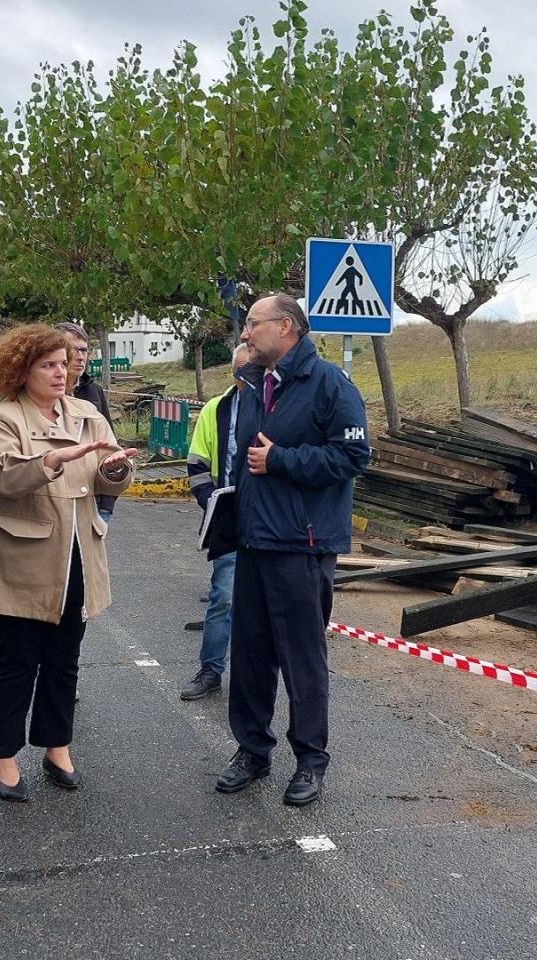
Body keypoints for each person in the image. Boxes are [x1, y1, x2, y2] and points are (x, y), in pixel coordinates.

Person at [0, 324, 138, 800]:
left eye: (64, 363)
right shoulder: (3, 417)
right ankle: (3, 757)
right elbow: (3, 478)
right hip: (23, 556)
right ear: (21, 370)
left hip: (79, 554)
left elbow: (109, 481)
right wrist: (54, 460)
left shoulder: (87, 413)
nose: (61, 372)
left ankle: (56, 746)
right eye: (48, 365)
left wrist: (116, 469)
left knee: (65, 658)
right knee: (16, 659)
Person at [215, 294, 369, 807]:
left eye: (252, 325)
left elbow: (352, 455)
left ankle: (310, 760)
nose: (244, 335)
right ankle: (252, 751)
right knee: (252, 654)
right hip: (255, 540)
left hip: (302, 545)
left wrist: (282, 460)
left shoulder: (330, 384)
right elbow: (242, 460)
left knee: (302, 658)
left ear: (286, 327)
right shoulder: (255, 385)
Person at [180, 344, 250, 700]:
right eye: (241, 373)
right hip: (230, 519)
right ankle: (210, 670)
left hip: (271, 521)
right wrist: (213, 505)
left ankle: (254, 678)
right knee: (222, 597)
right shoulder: (217, 409)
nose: (246, 379)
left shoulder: (279, 404)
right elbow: (197, 465)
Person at [56, 321, 120, 524]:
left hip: (94, 504)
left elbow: (110, 447)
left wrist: (107, 505)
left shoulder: (94, 392)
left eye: (84, 350)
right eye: (73, 350)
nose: (81, 356)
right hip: (55, 503)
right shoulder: (40, 394)